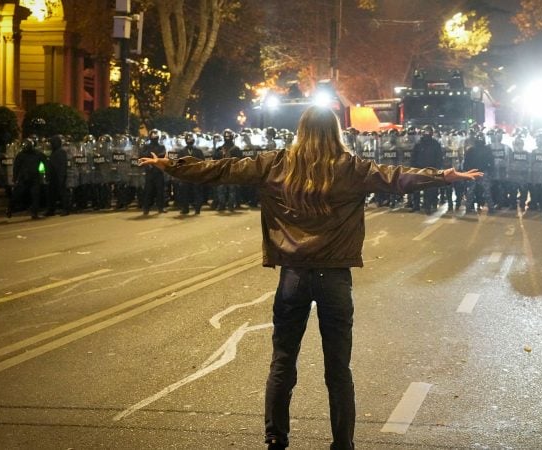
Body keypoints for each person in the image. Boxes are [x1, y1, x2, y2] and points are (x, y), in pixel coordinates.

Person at [138, 106, 482, 450]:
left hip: (294, 276)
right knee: (338, 368)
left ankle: (276, 438)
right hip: (334, 278)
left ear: (301, 130)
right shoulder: (350, 168)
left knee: (283, 360)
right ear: (336, 132)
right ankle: (342, 443)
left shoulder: (275, 163)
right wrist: (443, 176)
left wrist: (173, 165)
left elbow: (223, 169)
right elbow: (397, 177)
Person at [7, 138, 46, 219]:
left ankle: (34, 213)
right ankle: (10, 208)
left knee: (35, 196)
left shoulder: (38, 154)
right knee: (17, 194)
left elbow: (45, 163)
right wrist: (15, 177)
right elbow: (16, 167)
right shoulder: (21, 155)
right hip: (24, 178)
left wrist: (46, 174)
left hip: (34, 177)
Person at [139, 129, 167, 215]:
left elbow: (162, 157)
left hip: (159, 171)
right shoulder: (146, 146)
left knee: (160, 191)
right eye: (153, 135)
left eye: (156, 135)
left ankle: (160, 207)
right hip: (149, 171)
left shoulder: (162, 147)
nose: (154, 136)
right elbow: (142, 156)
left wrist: (154, 160)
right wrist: (149, 164)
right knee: (148, 191)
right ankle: (146, 208)